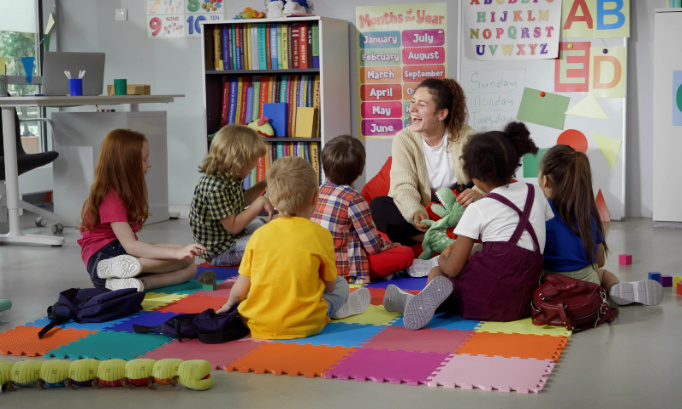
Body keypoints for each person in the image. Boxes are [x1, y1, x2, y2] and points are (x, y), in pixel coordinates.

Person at [384, 122, 553, 330]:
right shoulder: (535, 192)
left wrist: (444, 257)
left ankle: (416, 303)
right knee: (480, 260)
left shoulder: (478, 208)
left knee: (438, 273)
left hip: (483, 300)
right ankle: (418, 302)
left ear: (474, 177)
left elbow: (453, 268)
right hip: (523, 301)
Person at [216, 157, 371, 339]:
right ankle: (332, 310)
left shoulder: (258, 235)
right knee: (341, 284)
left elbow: (240, 289)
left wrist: (228, 305)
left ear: (272, 201)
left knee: (257, 285)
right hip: (308, 323)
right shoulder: (321, 235)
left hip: (257, 323)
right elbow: (329, 287)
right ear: (315, 198)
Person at [78, 129, 205, 291]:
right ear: (128, 164)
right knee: (184, 260)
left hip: (118, 260)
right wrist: (176, 254)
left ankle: (138, 283)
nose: (149, 164)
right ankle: (129, 267)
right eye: (145, 160)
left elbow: (135, 245)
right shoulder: (110, 196)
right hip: (103, 260)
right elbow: (131, 246)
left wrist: (183, 248)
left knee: (190, 268)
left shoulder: (121, 193)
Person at [538, 144, 663, 305]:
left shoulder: (539, 212)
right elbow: (600, 260)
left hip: (551, 286)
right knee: (603, 273)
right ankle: (615, 288)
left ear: (545, 180)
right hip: (588, 284)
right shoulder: (587, 213)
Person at [370, 78, 484, 247]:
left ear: (441, 114)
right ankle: (437, 240)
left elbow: (487, 176)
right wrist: (414, 210)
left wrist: (477, 191)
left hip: (458, 208)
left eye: (422, 105)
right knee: (378, 206)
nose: (412, 109)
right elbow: (402, 185)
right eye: (413, 102)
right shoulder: (404, 139)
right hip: (426, 213)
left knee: (483, 195)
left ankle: (444, 238)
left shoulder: (466, 135)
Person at [311, 135, 414, 284]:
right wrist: (391, 246)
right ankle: (382, 272)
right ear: (360, 172)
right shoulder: (354, 198)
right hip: (344, 271)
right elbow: (373, 247)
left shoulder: (319, 190)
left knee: (377, 233)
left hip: (319, 266)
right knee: (406, 253)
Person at [189, 124, 274, 266]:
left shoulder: (230, 177)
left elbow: (240, 201)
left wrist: (264, 183)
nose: (254, 166)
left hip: (232, 238)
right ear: (238, 160)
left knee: (274, 226)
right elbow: (233, 226)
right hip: (221, 252)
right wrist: (259, 202)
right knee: (270, 242)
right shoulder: (215, 187)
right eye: (253, 160)